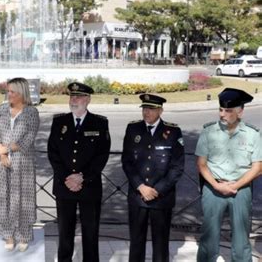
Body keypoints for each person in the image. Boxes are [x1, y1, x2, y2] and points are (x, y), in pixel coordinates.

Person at [48, 82, 111, 262]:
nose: (74, 100)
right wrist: (67, 178)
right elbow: (53, 153)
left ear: (88, 99)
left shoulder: (100, 123)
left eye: (78, 96)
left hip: (89, 187)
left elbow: (102, 156)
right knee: (64, 232)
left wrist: (82, 177)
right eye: (71, 96)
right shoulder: (59, 121)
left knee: (90, 232)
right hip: (64, 185)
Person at [196, 88, 261, 262]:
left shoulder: (253, 134)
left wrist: (236, 185)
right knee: (208, 239)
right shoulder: (208, 131)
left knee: (241, 241)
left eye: (228, 111)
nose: (223, 114)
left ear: (240, 111)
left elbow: (258, 167)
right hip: (212, 188)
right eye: (221, 109)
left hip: (241, 190)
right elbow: (201, 164)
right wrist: (217, 185)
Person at [121, 93, 185, 262]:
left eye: (151, 109)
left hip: (161, 197)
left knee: (161, 243)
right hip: (137, 195)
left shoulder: (173, 131)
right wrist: (141, 186)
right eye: (144, 108)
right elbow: (127, 161)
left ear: (160, 110)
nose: (146, 112)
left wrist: (156, 190)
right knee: (136, 242)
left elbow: (177, 167)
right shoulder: (133, 129)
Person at [0, 77, 40, 252]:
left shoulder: (31, 112)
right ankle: (8, 235)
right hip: (1, 162)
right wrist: (0, 151)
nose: (8, 94)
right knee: (4, 198)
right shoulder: (2, 110)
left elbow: (28, 139)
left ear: (22, 93)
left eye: (12, 92)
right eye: (8, 91)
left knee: (23, 200)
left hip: (23, 162)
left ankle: (23, 235)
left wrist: (7, 149)